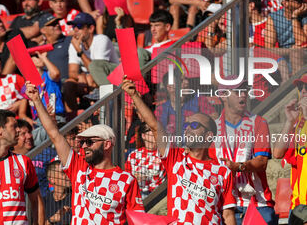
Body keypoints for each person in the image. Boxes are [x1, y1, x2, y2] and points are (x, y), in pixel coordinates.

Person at [25, 81, 145, 224]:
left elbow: (138, 220)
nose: (84, 147)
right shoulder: (79, 169)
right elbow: (54, 135)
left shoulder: (126, 180)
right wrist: (37, 100)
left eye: (90, 142)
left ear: (107, 144)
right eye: (82, 142)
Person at [122, 77, 236, 225]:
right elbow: (155, 126)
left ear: (208, 135)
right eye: (186, 125)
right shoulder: (176, 158)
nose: (187, 129)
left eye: (194, 125)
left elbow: (228, 215)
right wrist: (134, 96)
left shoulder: (223, 171)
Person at [209, 75, 276, 225]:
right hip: (225, 206)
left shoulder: (259, 122)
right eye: (237, 91)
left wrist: (238, 167)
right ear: (223, 95)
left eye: (245, 90)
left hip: (258, 203)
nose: (244, 95)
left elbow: (262, 162)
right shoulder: (212, 128)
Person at [273, 73, 307, 224]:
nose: (304, 91)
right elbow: (278, 153)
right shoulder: (299, 121)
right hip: (299, 205)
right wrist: (289, 121)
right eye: (301, 87)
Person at [265, 0, 307, 75]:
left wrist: (295, 17)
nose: (302, 2)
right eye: (297, 0)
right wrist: (290, 51)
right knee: (294, 54)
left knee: (296, 54)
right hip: (286, 54)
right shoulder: (273, 18)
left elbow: (303, 42)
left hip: (304, 52)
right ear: (285, 3)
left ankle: (297, 87)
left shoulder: (305, 15)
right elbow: (268, 49)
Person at [125, 122, 166, 199]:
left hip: (157, 195)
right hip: (137, 193)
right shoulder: (134, 155)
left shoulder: (163, 154)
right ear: (143, 135)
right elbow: (127, 177)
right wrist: (135, 178)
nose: (155, 132)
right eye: (151, 129)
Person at [39, 13, 72, 83]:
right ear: (43, 30)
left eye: (57, 23)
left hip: (69, 84)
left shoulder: (70, 41)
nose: (57, 25)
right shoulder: (39, 50)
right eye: (53, 24)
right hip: (50, 87)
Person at [45, 160, 72, 225]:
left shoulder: (77, 198)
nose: (68, 174)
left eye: (68, 171)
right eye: (63, 172)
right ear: (52, 179)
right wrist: (52, 220)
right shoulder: (44, 202)